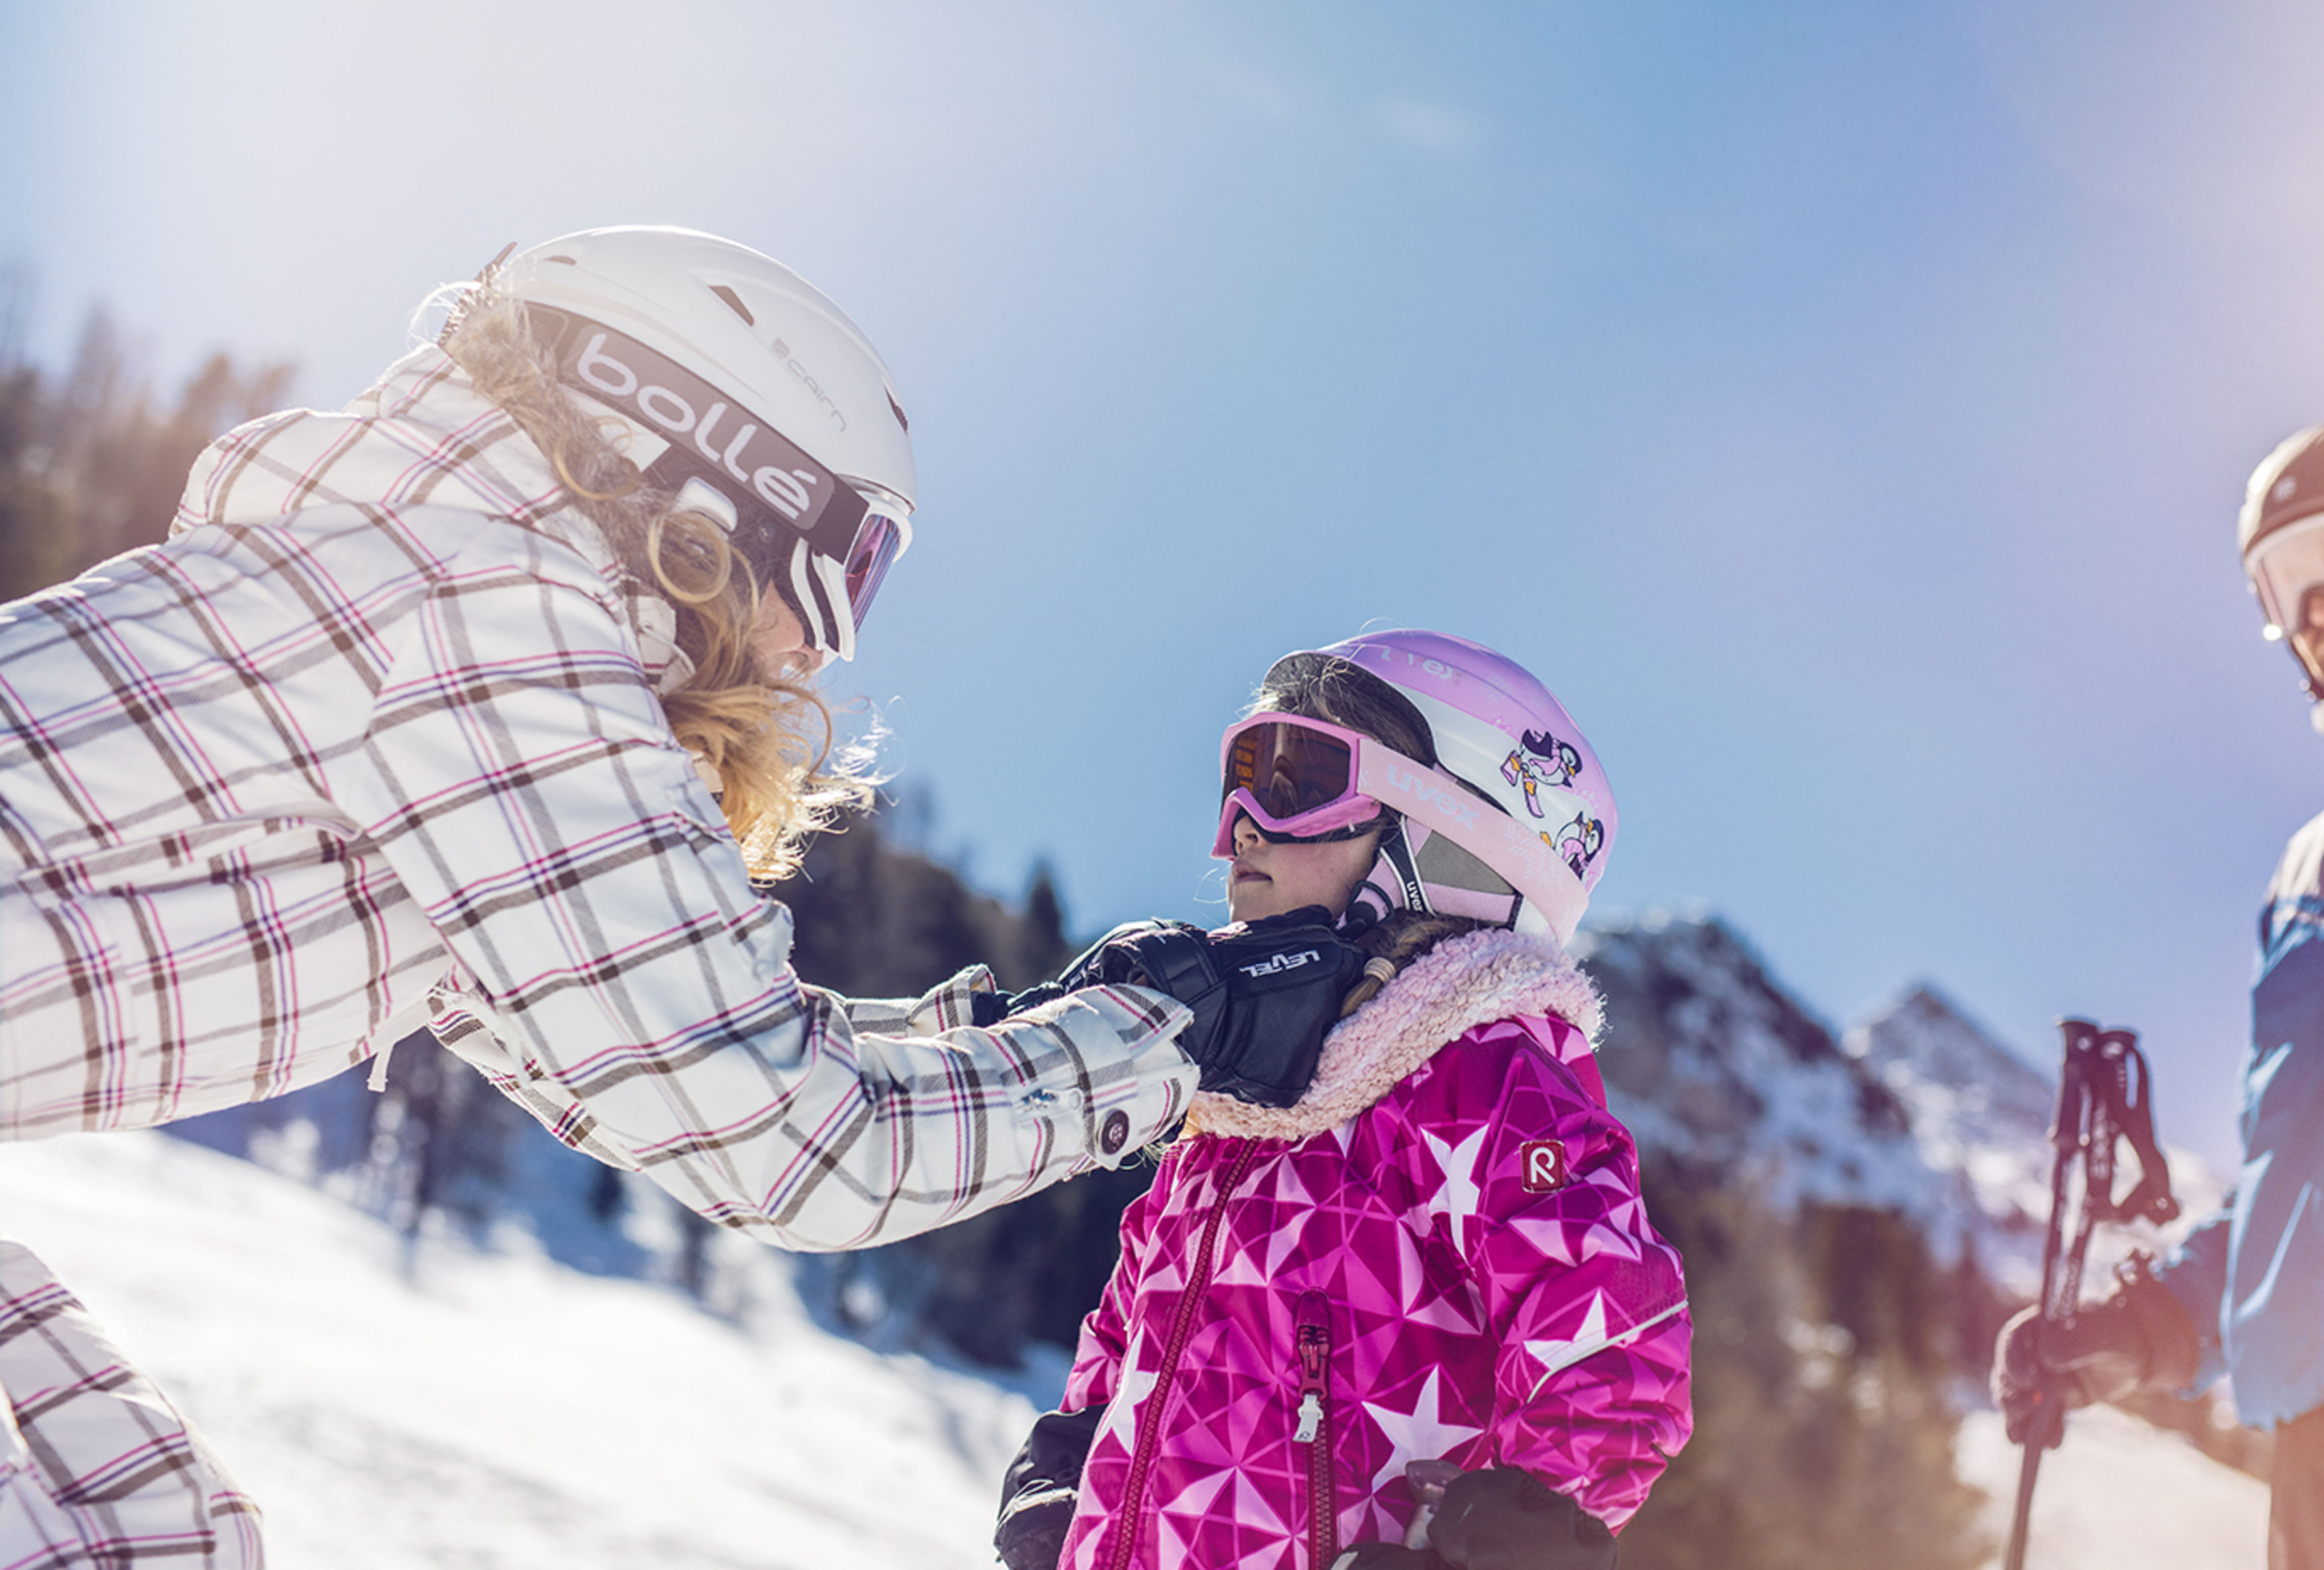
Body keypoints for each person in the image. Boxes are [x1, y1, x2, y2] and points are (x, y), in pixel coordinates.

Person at [0, 227, 1353, 1567]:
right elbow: (791, 1135)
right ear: (711, 476)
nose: (821, 645)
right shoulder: (491, 616)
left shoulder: (412, 589)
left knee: (149, 1529)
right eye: (846, 566)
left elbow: (671, 1046)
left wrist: (1025, 1026)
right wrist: (1175, 1038)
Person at [990, 631, 1693, 1570]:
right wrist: (1069, 1462)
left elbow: (1614, 1339)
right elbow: (1134, 1318)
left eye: (1298, 780)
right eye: (1239, 779)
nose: (1239, 826)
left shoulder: (1476, 1077)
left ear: (1449, 839)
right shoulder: (1243, 1100)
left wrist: (1507, 1546)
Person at [1993, 415, 2324, 1568]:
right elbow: (2305, 1183)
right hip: (2321, 1444)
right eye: (2286, 589)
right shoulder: (2315, 870)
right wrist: (2150, 1326)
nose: (2321, 612)